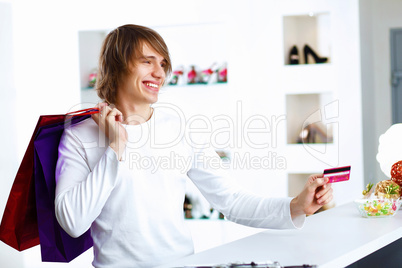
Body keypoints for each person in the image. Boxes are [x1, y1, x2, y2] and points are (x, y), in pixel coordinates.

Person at [55, 24, 333, 268]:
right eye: (147, 61)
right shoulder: (80, 136)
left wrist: (296, 206)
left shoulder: (180, 126)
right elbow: (73, 222)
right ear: (117, 65)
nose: (159, 73)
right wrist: (115, 148)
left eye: (163, 64)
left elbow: (232, 201)